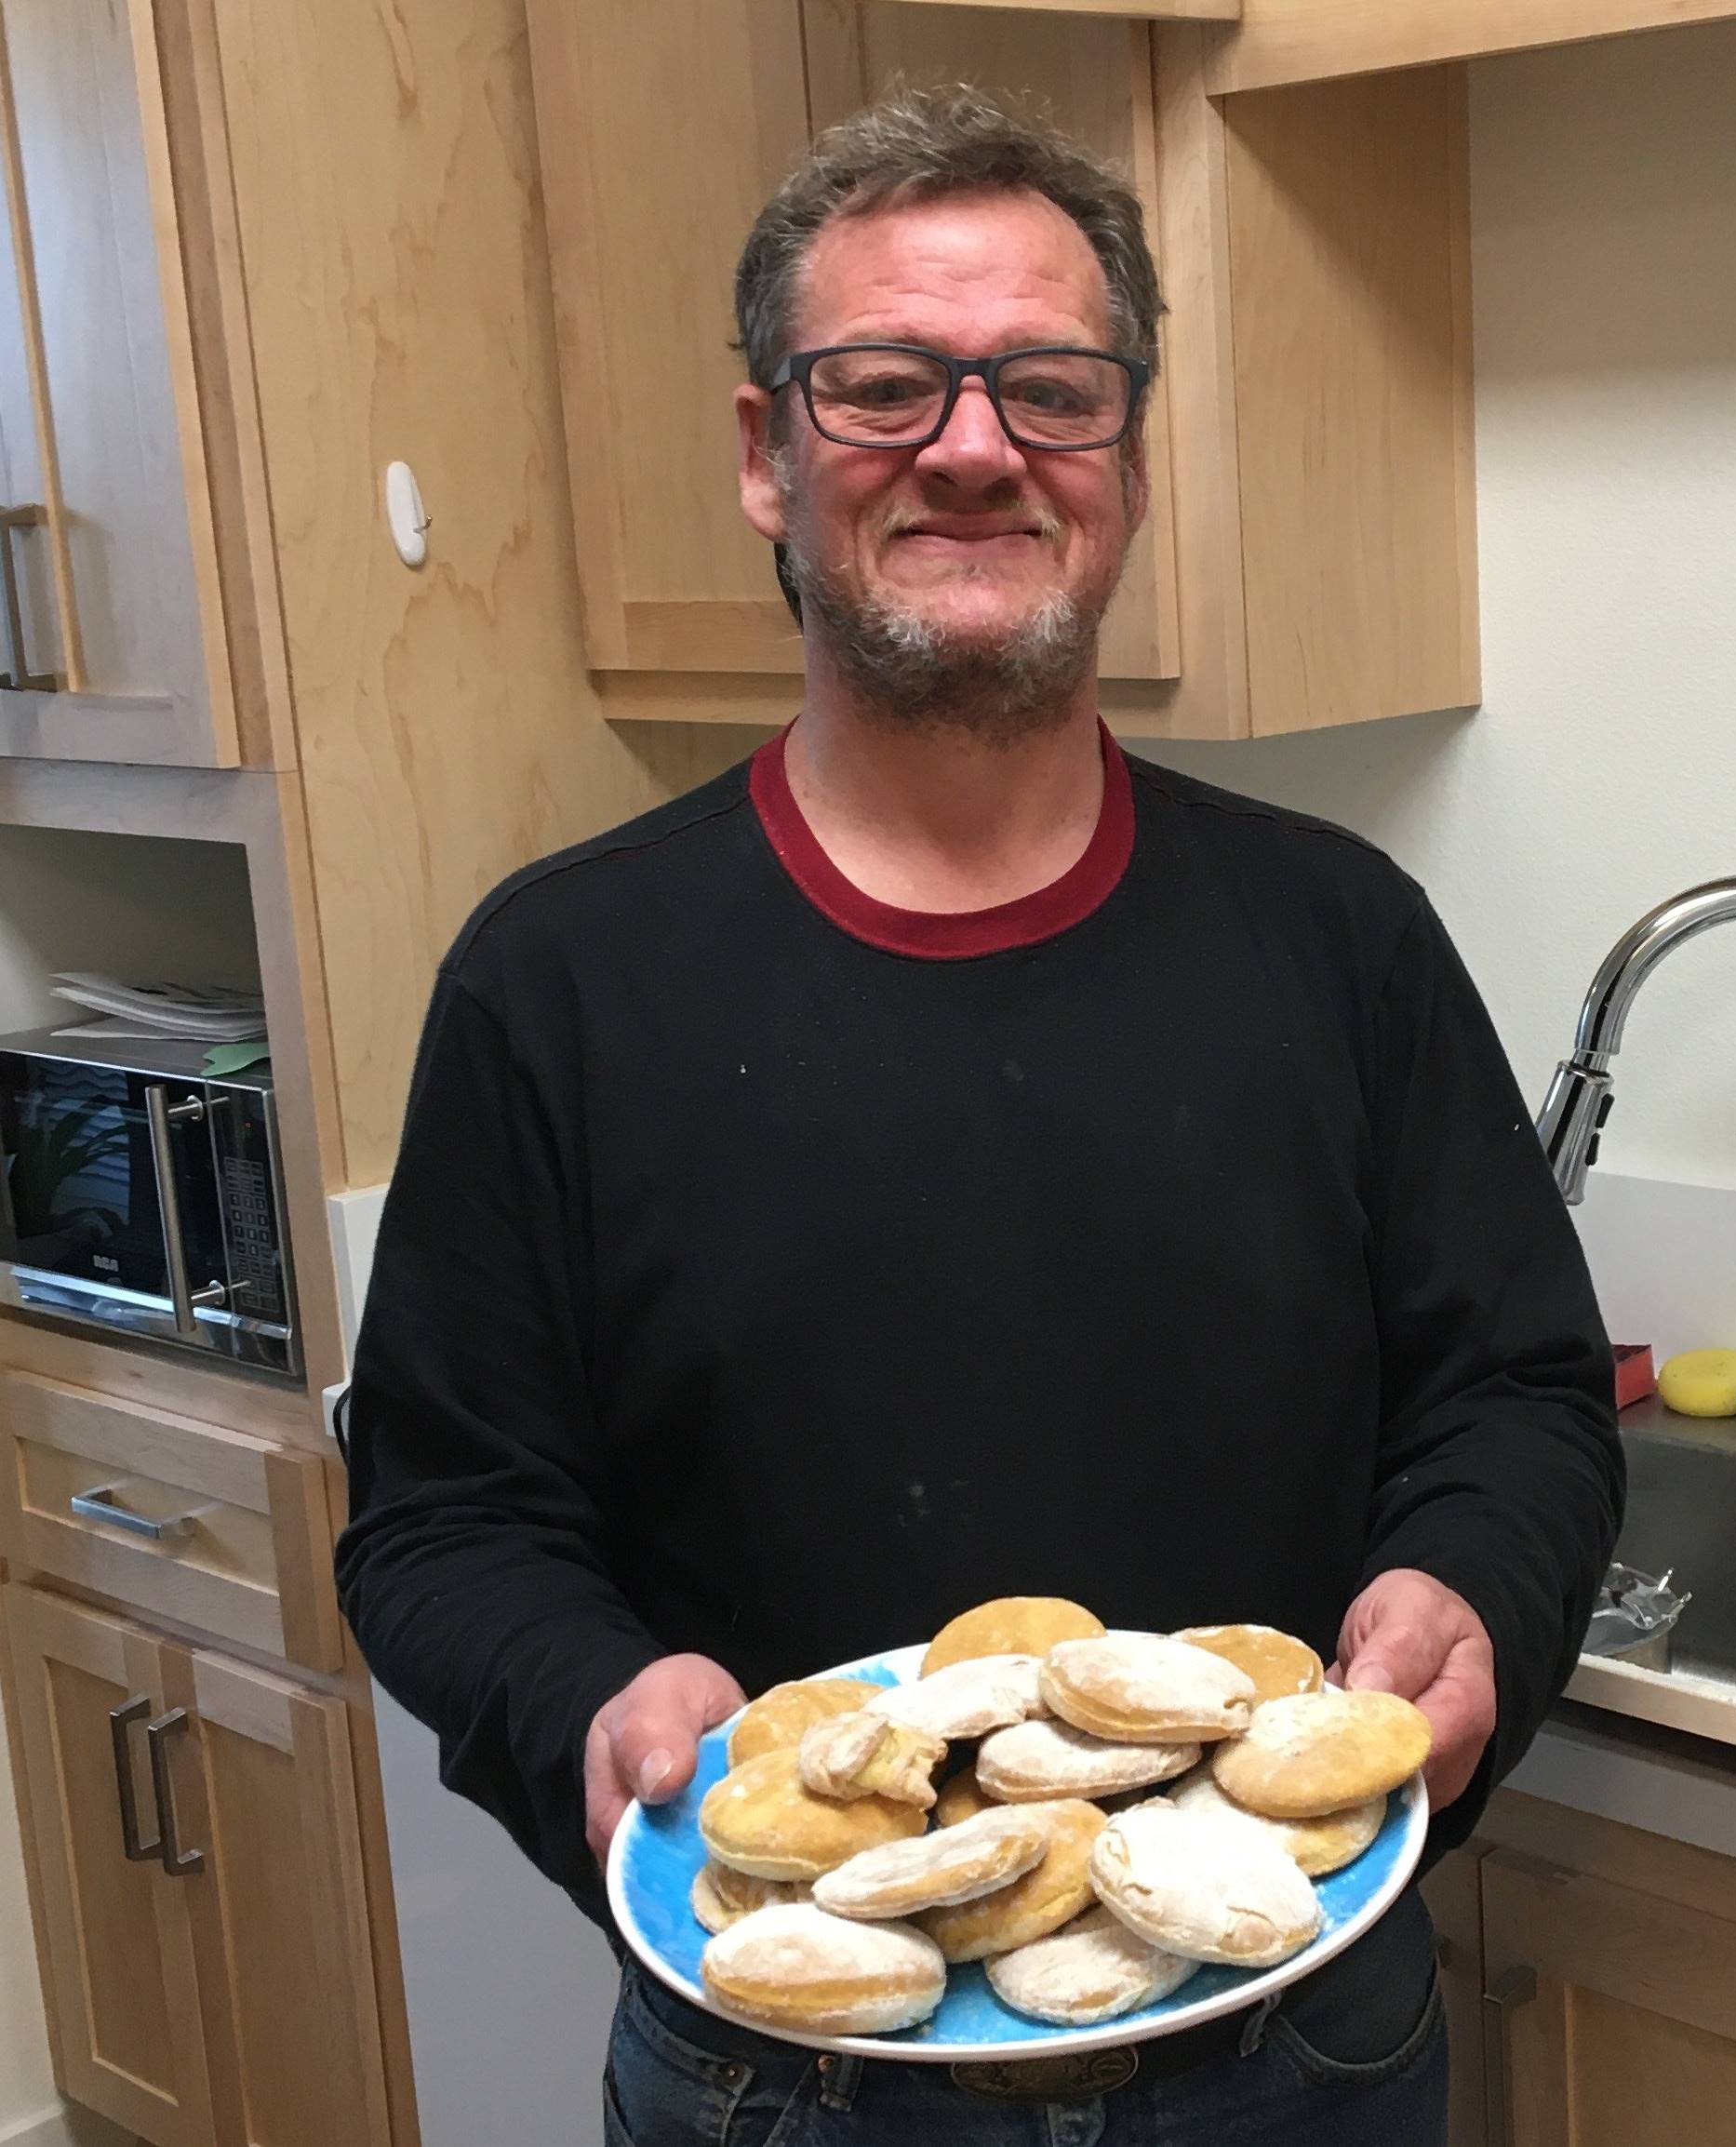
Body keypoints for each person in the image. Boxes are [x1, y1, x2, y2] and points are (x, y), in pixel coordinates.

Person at [337, 86, 1622, 2146]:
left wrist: (1477, 1581)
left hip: (1295, 2037)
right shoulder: (560, 981)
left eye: (1049, 385)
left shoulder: (1340, 939)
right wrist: (585, 1694)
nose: (972, 443)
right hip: (789, 2059)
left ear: (1119, 457)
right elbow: (442, 1517)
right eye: (885, 386)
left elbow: (1522, 1399)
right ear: (768, 452)